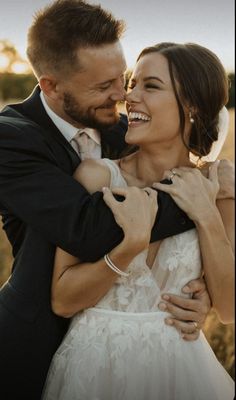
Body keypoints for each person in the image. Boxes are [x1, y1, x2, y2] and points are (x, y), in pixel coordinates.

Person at [0, 1, 218, 398]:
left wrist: (199, 290)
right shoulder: (11, 138)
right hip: (39, 344)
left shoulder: (125, 129)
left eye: (123, 78)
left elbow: (169, 154)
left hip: (158, 354)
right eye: (103, 87)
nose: (121, 95)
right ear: (51, 85)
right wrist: (205, 200)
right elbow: (88, 227)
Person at [42, 42, 234, 400]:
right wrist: (128, 248)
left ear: (191, 105)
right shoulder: (97, 178)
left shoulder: (219, 186)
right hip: (93, 370)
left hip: (181, 373)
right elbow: (63, 300)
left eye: (151, 85)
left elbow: (229, 308)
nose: (130, 96)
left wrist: (206, 215)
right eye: (133, 83)